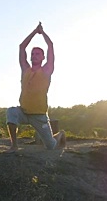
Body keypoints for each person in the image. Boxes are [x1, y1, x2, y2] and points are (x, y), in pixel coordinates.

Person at [6, 22, 66, 153]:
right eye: (33, 54)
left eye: (38, 54)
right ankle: (14, 145)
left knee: (50, 146)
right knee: (11, 111)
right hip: (23, 112)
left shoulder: (46, 70)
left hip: (39, 115)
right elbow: (22, 47)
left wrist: (42, 32)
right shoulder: (25, 69)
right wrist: (34, 31)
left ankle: (60, 135)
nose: (34, 56)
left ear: (43, 57)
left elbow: (50, 46)